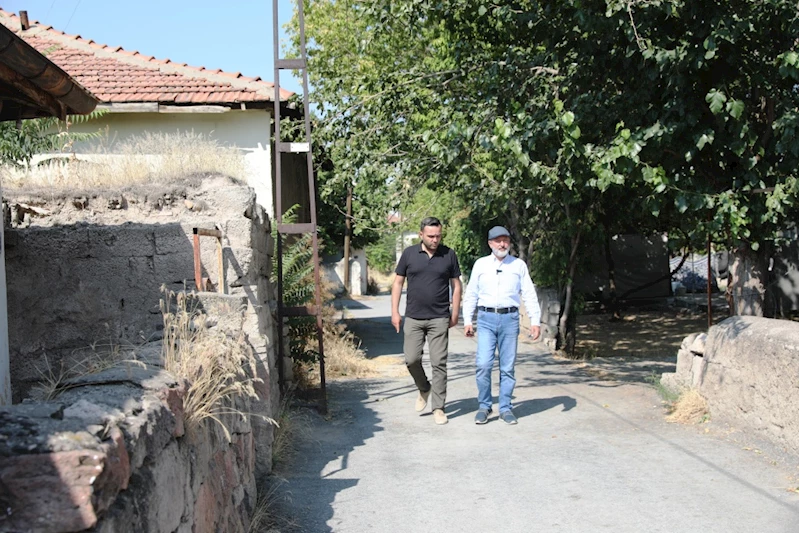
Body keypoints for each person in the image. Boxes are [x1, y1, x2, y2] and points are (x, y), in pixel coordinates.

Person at [463, 226, 541, 425]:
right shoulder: (480, 265)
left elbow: (529, 293)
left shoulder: (518, 265)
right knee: (483, 364)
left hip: (510, 319)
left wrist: (534, 321)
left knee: (507, 367)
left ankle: (506, 408)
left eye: (505, 240)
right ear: (490, 243)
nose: (502, 244)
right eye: (498, 240)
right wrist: (467, 320)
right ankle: (484, 406)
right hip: (486, 318)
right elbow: (471, 293)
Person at [391, 217, 462, 425]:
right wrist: (395, 312)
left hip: (439, 317)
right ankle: (424, 387)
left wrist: (455, 312)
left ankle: (439, 407)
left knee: (439, 362)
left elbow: (456, 285)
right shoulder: (409, 254)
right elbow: (397, 283)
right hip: (413, 316)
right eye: (431, 236)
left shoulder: (449, 254)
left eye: (438, 236)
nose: (435, 240)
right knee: (411, 359)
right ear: (421, 234)